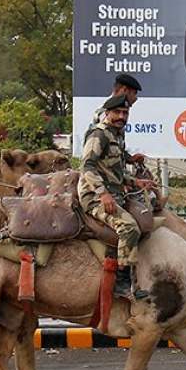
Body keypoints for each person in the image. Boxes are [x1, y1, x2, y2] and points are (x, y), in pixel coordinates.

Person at [78, 74, 154, 301]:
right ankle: (122, 283)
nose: (122, 116)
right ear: (108, 113)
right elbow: (88, 166)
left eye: (125, 113)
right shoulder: (99, 134)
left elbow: (114, 169)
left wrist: (135, 179)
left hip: (115, 190)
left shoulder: (117, 134)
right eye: (118, 113)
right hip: (94, 195)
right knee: (130, 227)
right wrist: (103, 195)